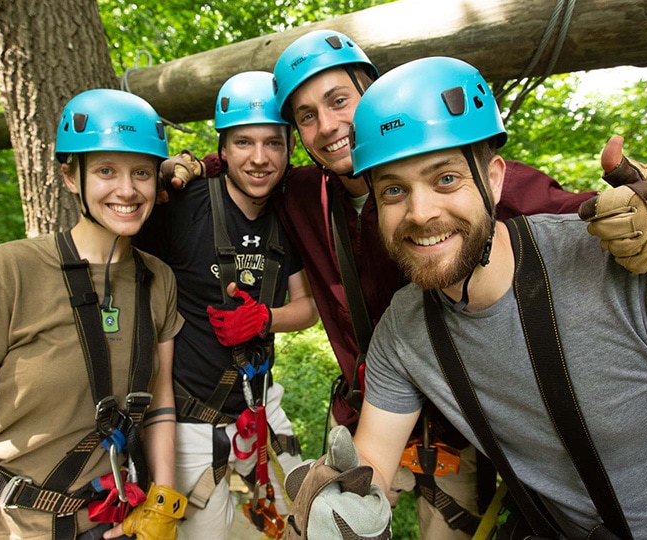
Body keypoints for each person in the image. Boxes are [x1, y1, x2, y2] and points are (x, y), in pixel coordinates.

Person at [168, 29, 621, 539]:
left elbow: (582, 218)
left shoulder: (462, 177)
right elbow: (249, 167)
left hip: (457, 427)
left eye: (339, 101)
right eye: (306, 116)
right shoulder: (302, 196)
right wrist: (190, 166)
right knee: (324, 524)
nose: (328, 126)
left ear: (372, 97)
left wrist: (642, 209)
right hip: (368, 411)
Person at [345, 56, 647, 538]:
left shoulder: (628, 265)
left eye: (445, 179)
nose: (420, 213)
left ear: (495, 179)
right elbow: (373, 458)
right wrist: (339, 500)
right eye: (394, 190)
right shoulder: (403, 331)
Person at [0, 89, 187, 540]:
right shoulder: (8, 272)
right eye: (105, 171)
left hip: (110, 522)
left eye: (141, 172)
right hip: (9, 524)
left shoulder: (157, 280)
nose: (127, 189)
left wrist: (163, 503)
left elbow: (159, 404)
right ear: (69, 176)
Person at [134, 71, 318, 540]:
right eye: (243, 143)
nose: (259, 158)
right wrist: (162, 171)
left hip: (260, 405)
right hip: (191, 421)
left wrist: (265, 318)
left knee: (306, 519)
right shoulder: (183, 206)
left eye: (273, 144)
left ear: (289, 148)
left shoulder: (287, 215)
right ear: (222, 148)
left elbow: (308, 306)